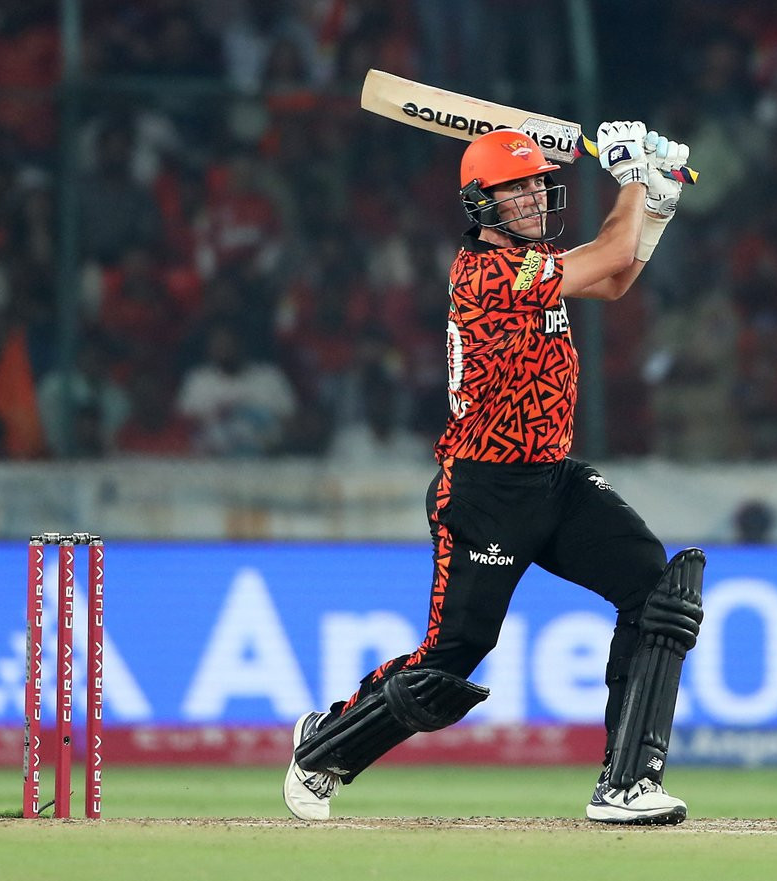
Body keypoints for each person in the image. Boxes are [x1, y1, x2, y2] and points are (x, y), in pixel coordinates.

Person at [283, 123, 705, 825]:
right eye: (518, 189)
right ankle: (325, 744)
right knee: (452, 657)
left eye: (540, 183)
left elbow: (614, 278)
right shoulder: (488, 275)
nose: (536, 196)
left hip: (552, 480)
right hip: (484, 493)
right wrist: (633, 176)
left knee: (656, 591)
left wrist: (655, 202)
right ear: (484, 203)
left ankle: (627, 783)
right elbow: (611, 252)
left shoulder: (533, 264)